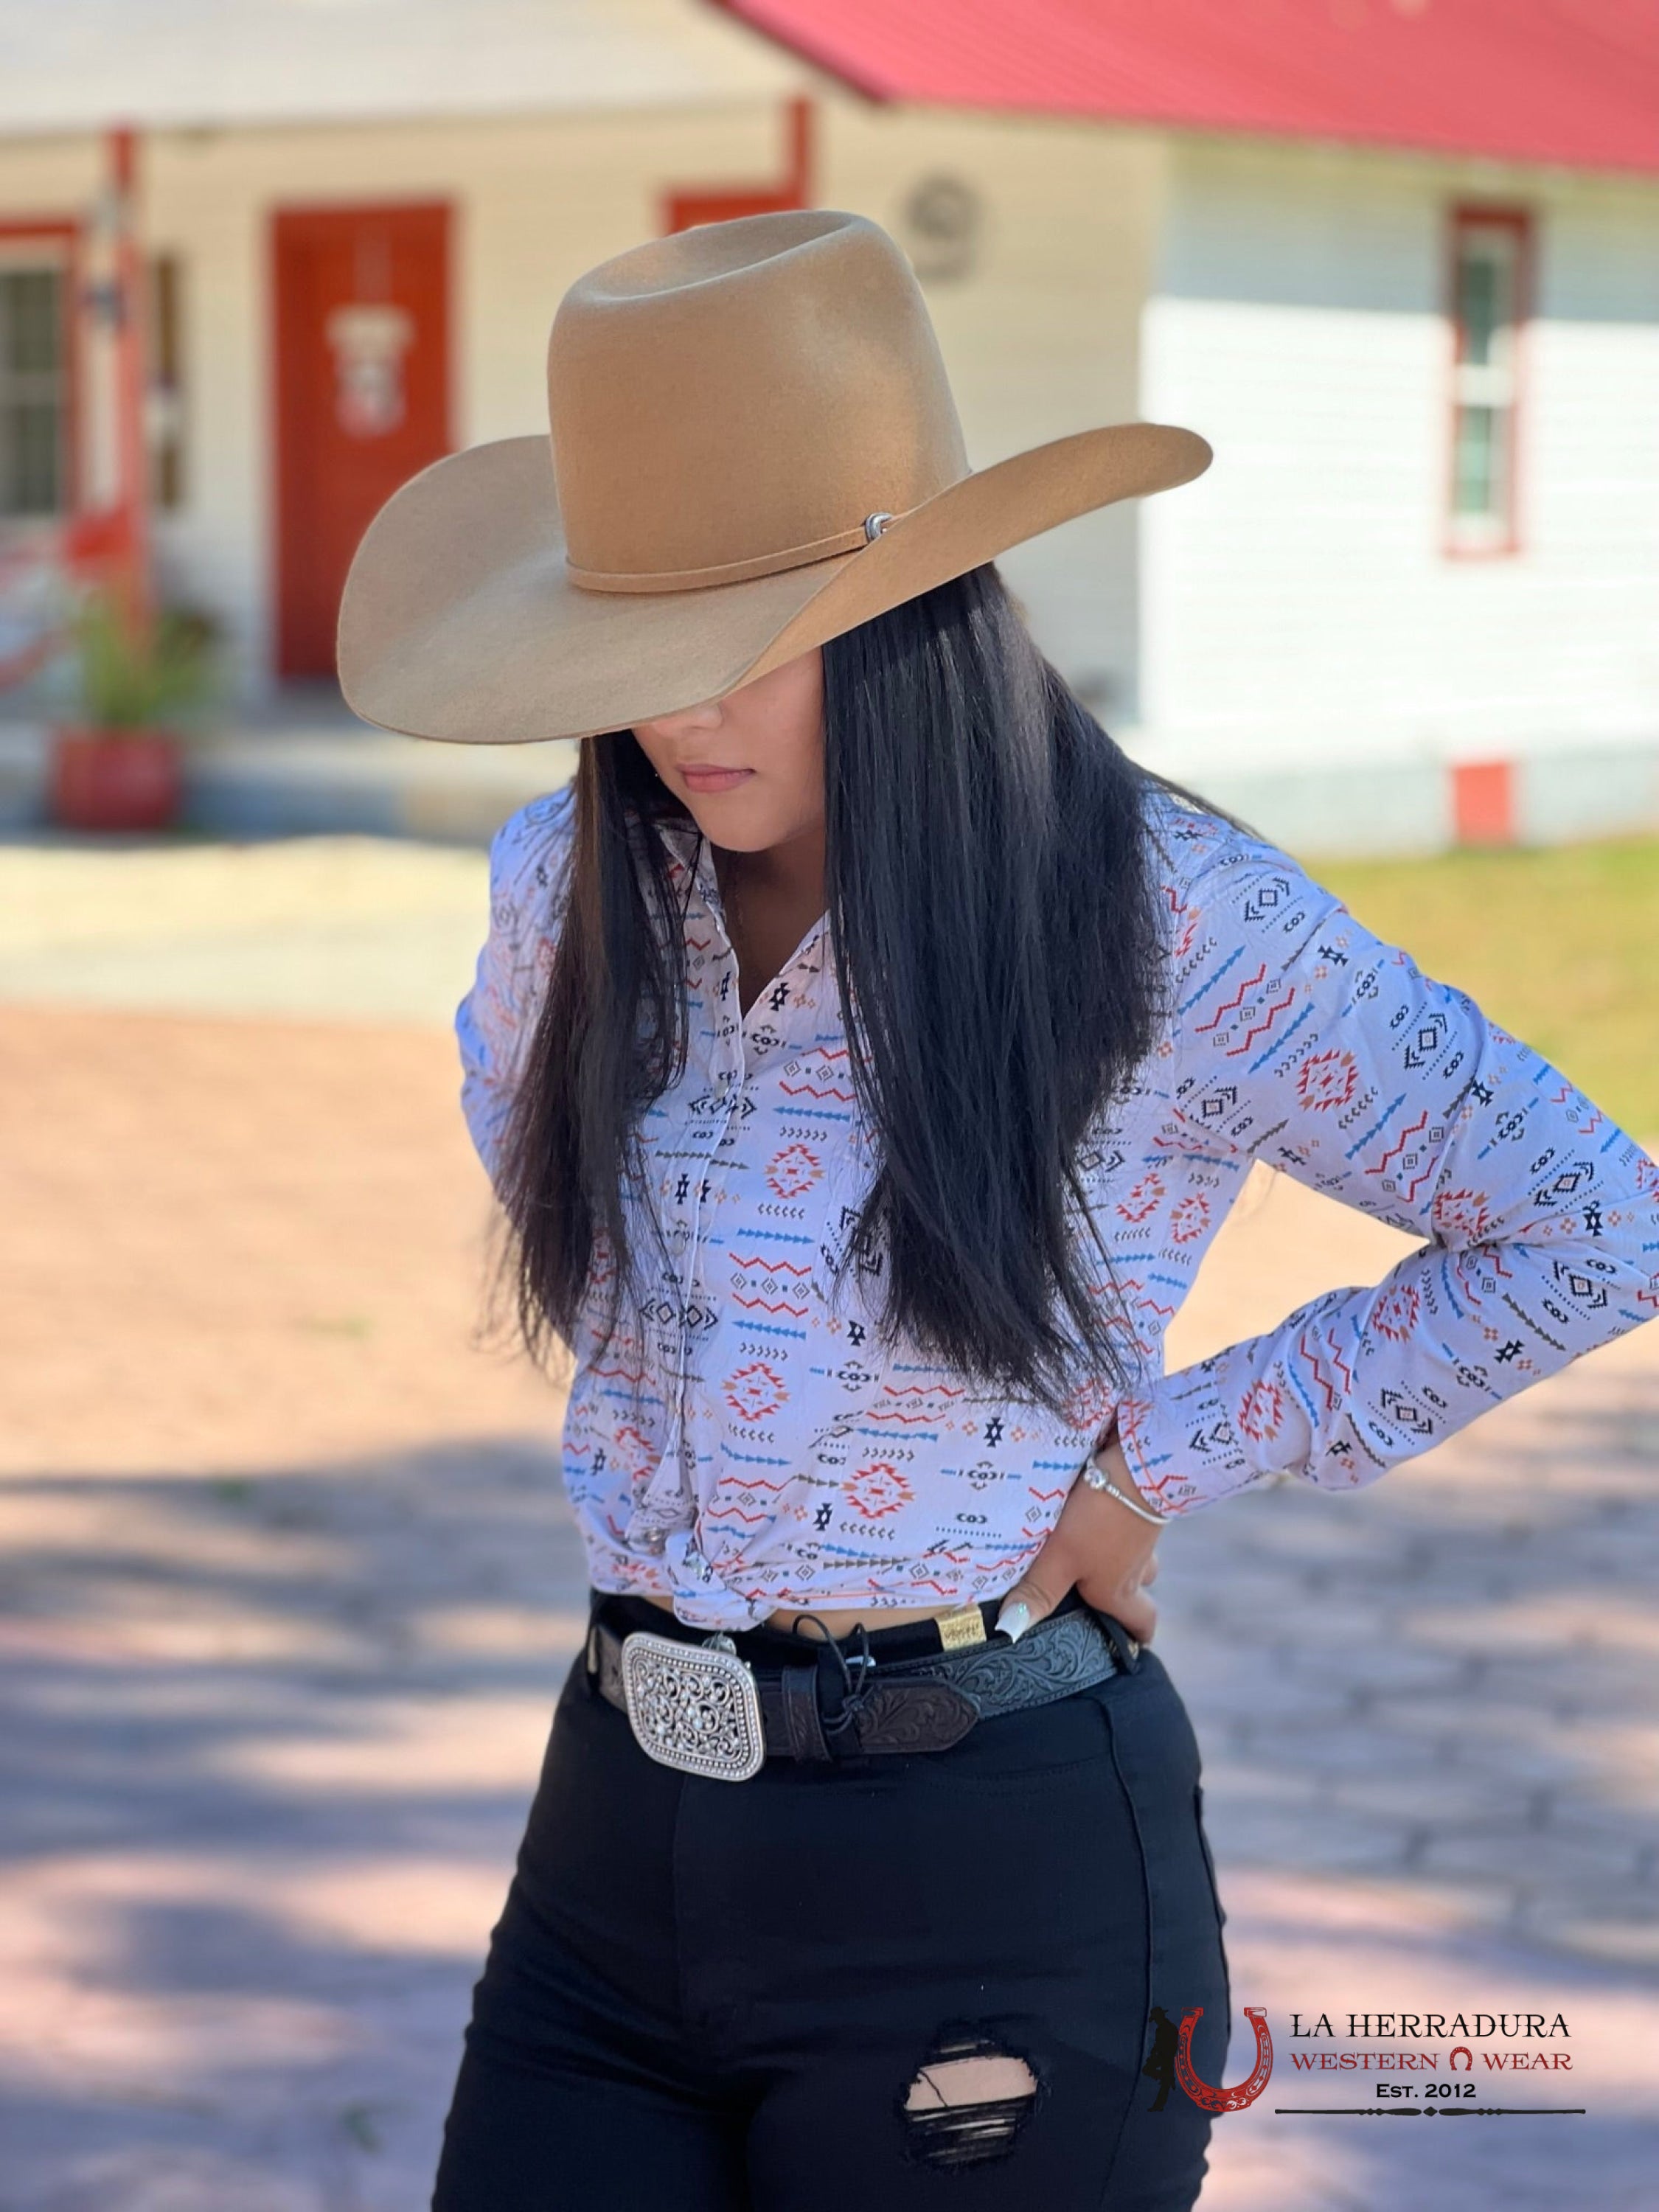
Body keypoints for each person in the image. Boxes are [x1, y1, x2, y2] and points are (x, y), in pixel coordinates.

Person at [337, 209, 1658, 2211]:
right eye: (634, 654)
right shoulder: (563, 886)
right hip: (615, 1837)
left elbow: (1585, 1215)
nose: (683, 714)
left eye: (751, 639)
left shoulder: (1162, 915)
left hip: (985, 1880)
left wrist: (1158, 1463)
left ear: (912, 607)